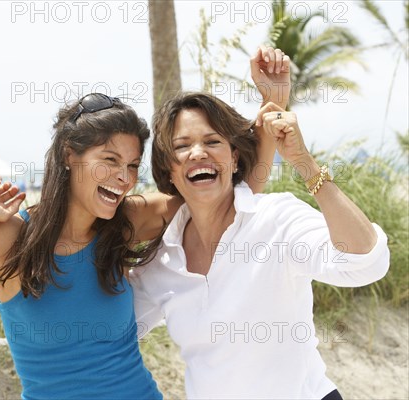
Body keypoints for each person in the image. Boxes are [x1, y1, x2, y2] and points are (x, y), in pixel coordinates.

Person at [0, 46, 289, 399]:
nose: (124, 178)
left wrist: (272, 106)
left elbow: (229, 197)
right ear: (68, 157)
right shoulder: (9, 238)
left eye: (131, 165)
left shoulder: (128, 219)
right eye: (109, 161)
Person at [130, 92, 390, 399]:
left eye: (212, 141)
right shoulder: (162, 262)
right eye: (182, 146)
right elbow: (116, 329)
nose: (198, 153)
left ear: (235, 157)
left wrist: (305, 163)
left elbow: (365, 262)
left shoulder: (276, 219)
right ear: (169, 170)